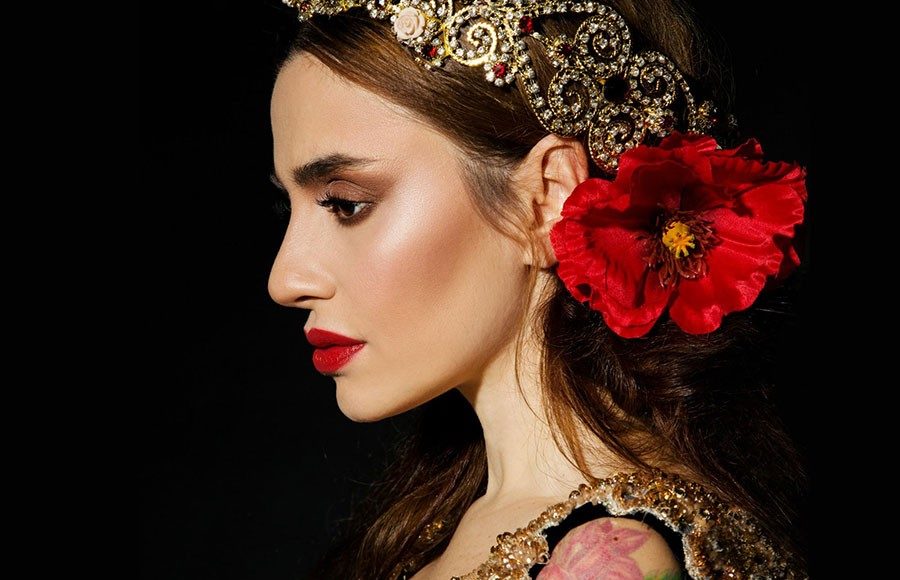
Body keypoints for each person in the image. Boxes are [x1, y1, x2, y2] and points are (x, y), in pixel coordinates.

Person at [267, 0, 809, 577]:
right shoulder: (431, 530)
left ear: (549, 198)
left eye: (346, 204)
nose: (284, 280)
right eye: (288, 209)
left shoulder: (607, 560)